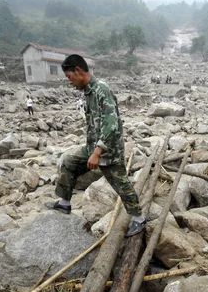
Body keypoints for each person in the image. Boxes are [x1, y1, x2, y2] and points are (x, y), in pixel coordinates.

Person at [45, 54, 146, 237]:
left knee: (121, 184)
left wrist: (98, 152)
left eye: (69, 77)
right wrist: (93, 150)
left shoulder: (101, 90)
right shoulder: (89, 93)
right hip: (92, 147)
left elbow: (111, 123)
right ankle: (65, 203)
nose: (69, 82)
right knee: (68, 162)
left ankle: (138, 218)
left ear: (78, 70)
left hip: (108, 151)